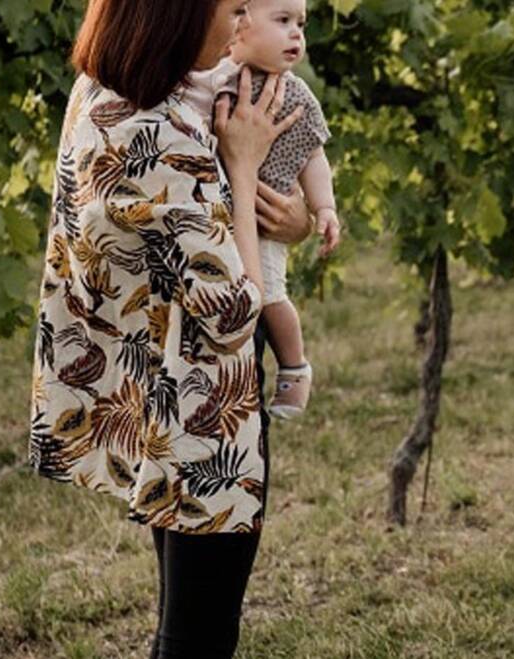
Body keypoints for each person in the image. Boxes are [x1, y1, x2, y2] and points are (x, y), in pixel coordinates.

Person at [28, 1, 308, 656]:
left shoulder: (109, 90)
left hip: (162, 391)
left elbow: (197, 238)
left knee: (182, 618)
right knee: (198, 634)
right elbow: (236, 312)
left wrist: (287, 219)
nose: (243, 26)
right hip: (200, 411)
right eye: (233, 9)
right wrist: (243, 166)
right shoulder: (155, 138)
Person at [184, 0, 341, 420]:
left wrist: (321, 207)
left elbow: (313, 156)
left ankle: (294, 367)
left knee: (269, 296)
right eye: (283, 21)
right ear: (239, 27)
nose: (296, 34)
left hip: (265, 226)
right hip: (218, 224)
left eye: (301, 24)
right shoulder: (217, 79)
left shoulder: (296, 93)